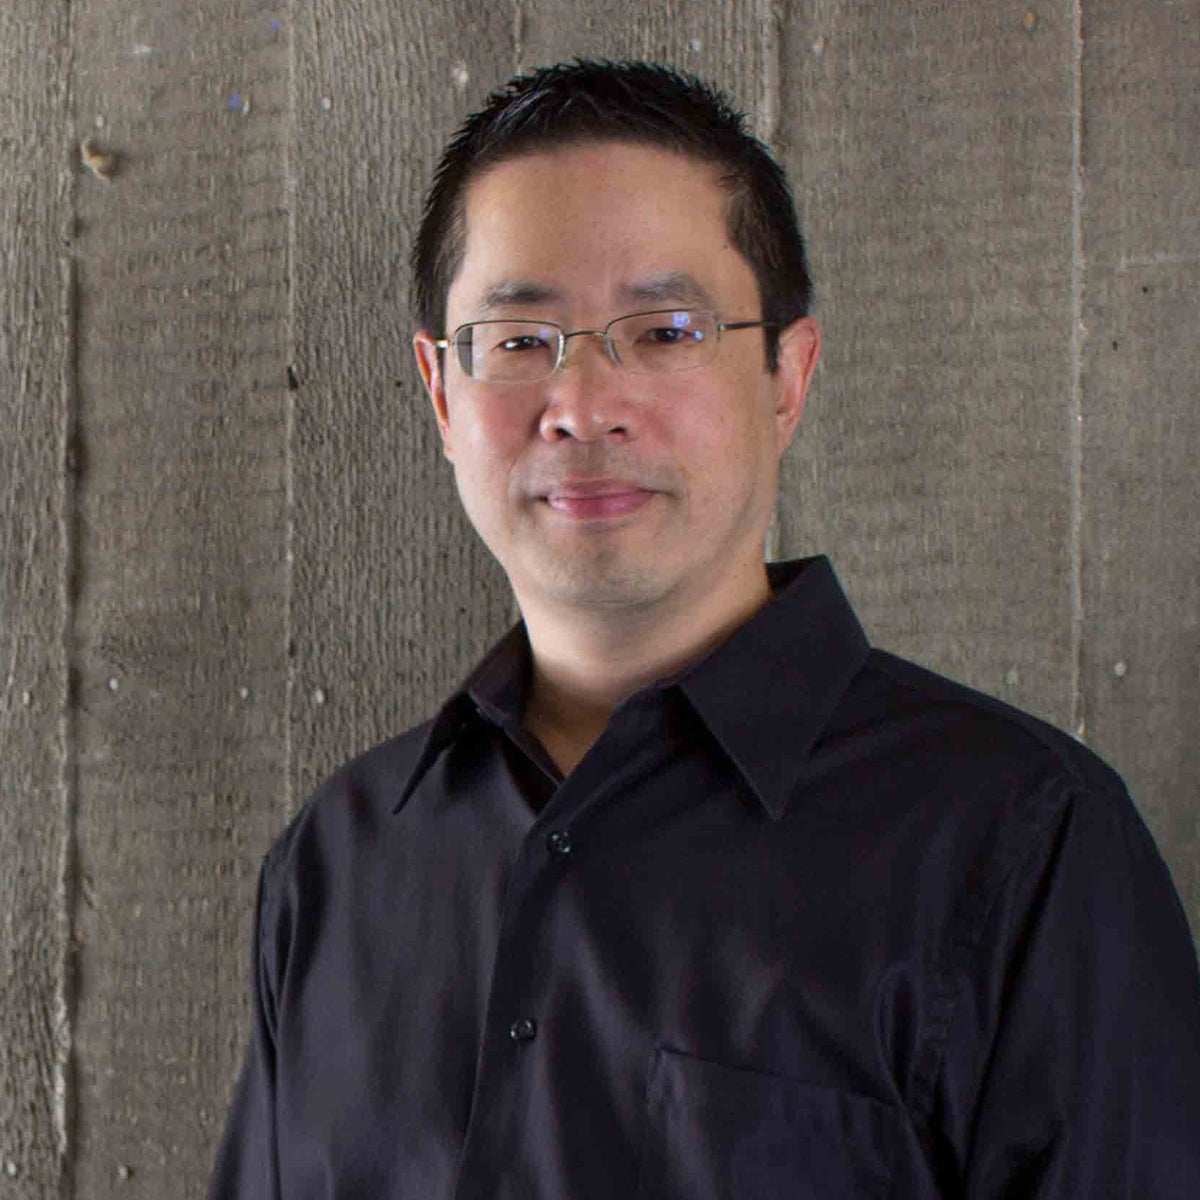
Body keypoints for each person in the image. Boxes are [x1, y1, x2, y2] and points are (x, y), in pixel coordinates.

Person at [209, 60, 1200, 1198]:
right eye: (522, 341)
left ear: (788, 375)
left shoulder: (1023, 843)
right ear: (441, 392)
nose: (582, 403)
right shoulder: (338, 864)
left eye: (666, 330)